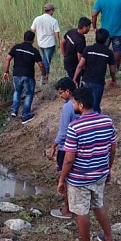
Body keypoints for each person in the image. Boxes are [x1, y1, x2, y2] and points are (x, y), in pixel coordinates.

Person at [57, 86, 118, 241]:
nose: (73, 104)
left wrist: (62, 179)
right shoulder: (107, 121)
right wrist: (109, 169)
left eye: (74, 102)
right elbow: (112, 149)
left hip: (79, 178)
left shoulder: (75, 127)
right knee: (98, 204)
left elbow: (69, 158)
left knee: (81, 211)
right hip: (100, 173)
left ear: (81, 105)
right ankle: (109, 239)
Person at [49, 77, 78, 219]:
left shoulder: (68, 107)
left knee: (65, 179)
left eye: (61, 93)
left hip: (67, 147)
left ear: (68, 91)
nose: (60, 96)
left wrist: (54, 145)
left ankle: (67, 209)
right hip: (80, 147)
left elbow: (64, 131)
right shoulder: (81, 103)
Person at [3, 30, 46, 124]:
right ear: (32, 40)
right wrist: (44, 75)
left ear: (24, 38)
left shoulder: (16, 47)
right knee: (29, 94)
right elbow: (41, 65)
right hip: (28, 75)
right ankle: (25, 115)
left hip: (16, 74)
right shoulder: (34, 51)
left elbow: (8, 58)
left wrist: (6, 71)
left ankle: (14, 110)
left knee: (17, 91)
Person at [73, 28, 116, 114]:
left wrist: (74, 78)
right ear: (107, 40)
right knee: (95, 106)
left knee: (84, 104)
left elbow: (80, 65)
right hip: (98, 83)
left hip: (86, 80)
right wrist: (113, 79)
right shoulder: (108, 52)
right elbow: (112, 69)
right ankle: (95, 122)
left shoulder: (88, 49)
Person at [91, 0, 121, 73]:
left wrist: (94, 28)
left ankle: (101, 70)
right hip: (119, 32)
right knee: (117, 51)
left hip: (104, 33)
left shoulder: (100, 0)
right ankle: (115, 71)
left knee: (101, 50)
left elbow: (94, 14)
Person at [31, 3, 61, 85]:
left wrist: (32, 41)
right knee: (47, 61)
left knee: (44, 59)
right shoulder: (54, 21)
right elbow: (57, 34)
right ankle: (44, 78)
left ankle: (44, 77)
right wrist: (59, 44)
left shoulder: (37, 19)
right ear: (51, 11)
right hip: (50, 44)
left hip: (41, 43)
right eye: (53, 10)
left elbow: (32, 31)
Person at [61, 17, 91, 81]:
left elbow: (62, 42)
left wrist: (64, 55)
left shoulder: (71, 31)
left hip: (67, 62)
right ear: (84, 27)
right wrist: (84, 68)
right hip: (74, 66)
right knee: (75, 82)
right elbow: (79, 57)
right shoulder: (80, 40)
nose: (89, 29)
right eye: (89, 27)